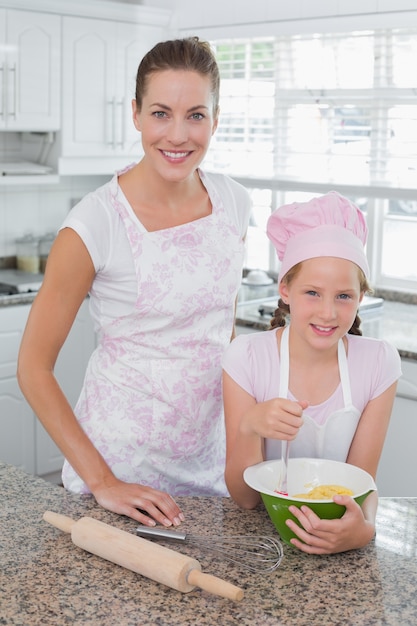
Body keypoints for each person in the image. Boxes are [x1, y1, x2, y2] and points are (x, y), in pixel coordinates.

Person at [17, 37, 251, 528]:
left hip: (213, 464)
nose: (179, 135)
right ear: (136, 114)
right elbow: (33, 369)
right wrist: (104, 482)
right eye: (161, 113)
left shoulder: (233, 202)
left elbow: (220, 326)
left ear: (216, 117)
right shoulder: (95, 224)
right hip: (122, 471)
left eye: (196, 115)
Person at [222, 191, 401, 554]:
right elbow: (244, 500)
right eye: (312, 293)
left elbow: (363, 483)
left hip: (336, 535)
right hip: (264, 540)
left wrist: (364, 530)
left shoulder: (379, 363)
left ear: (361, 297)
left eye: (343, 296)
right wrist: (250, 425)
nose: (328, 313)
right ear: (285, 290)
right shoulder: (246, 358)